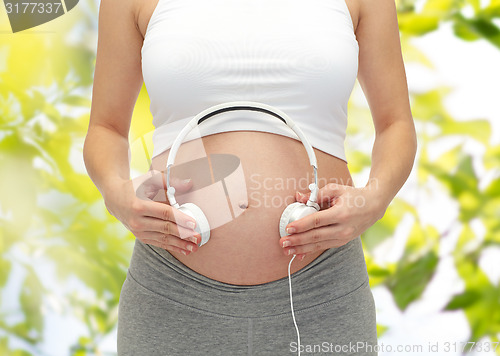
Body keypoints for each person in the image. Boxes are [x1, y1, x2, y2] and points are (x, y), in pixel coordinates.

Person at [83, 0, 417, 354]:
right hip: (171, 289)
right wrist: (116, 192)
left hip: (323, 288)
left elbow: (396, 124)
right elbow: (107, 128)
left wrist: (376, 198)